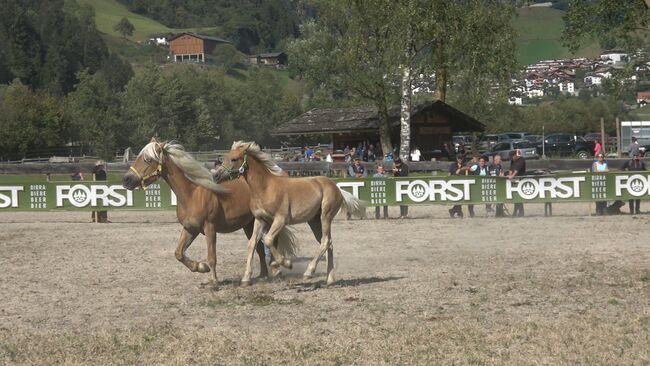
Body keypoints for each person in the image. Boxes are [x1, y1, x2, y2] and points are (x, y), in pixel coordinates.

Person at [507, 149, 526, 217]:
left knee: (519, 196)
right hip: (514, 180)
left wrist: (512, 176)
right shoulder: (513, 160)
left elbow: (516, 170)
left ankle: (520, 212)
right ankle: (517, 212)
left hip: (520, 180)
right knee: (515, 196)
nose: (511, 158)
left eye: (512, 157)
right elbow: (511, 169)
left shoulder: (521, 160)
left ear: (515, 155)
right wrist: (510, 174)